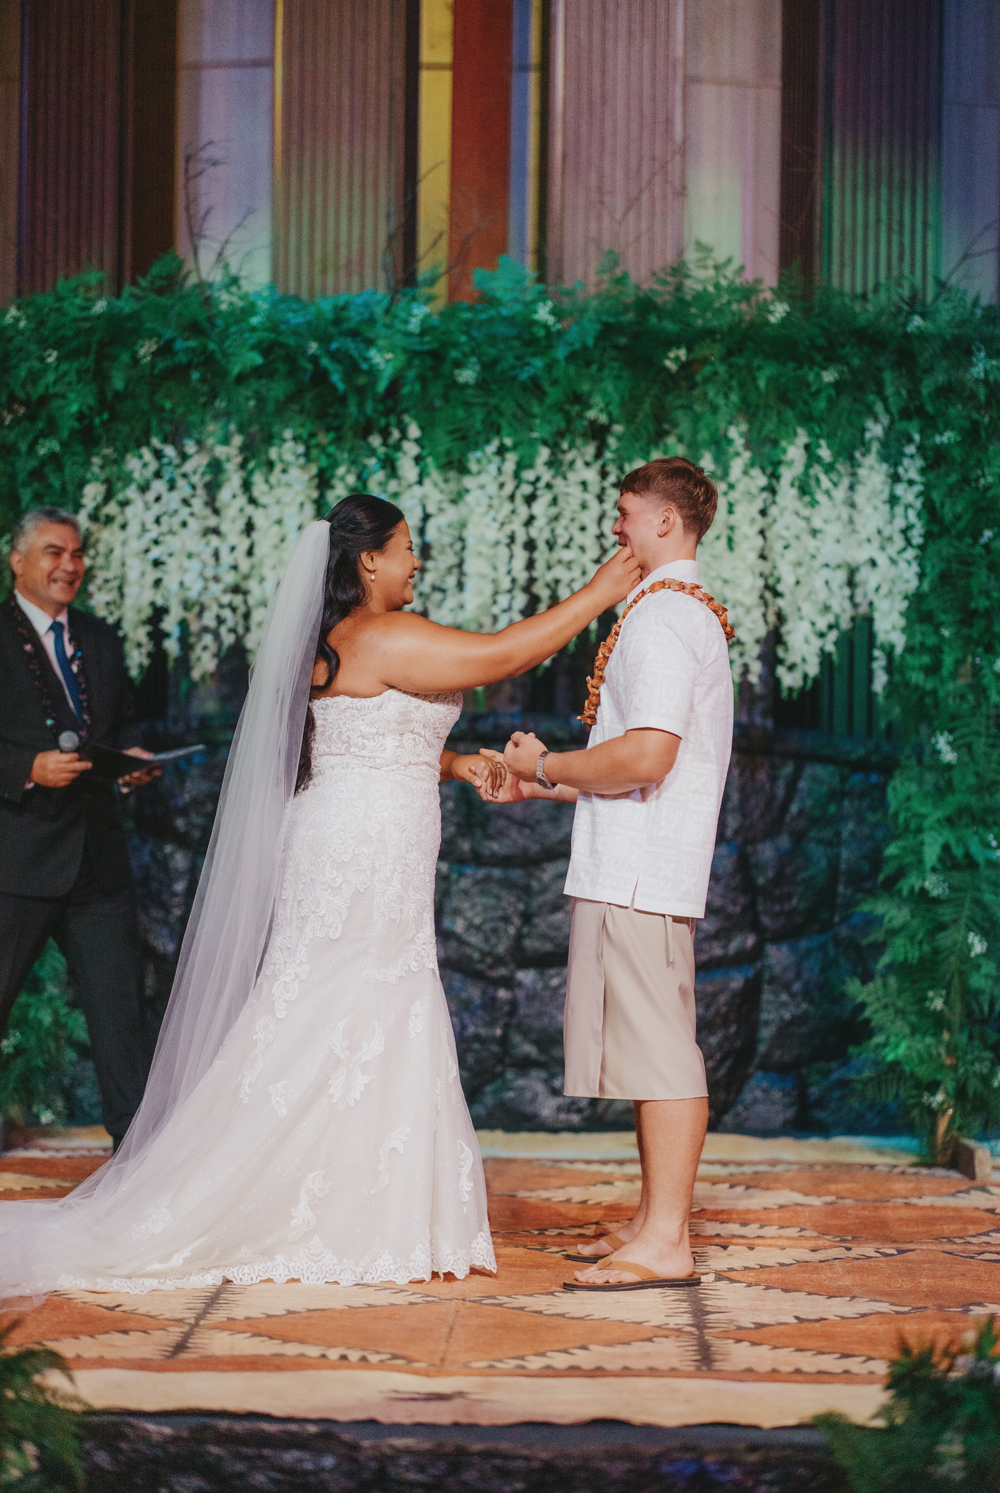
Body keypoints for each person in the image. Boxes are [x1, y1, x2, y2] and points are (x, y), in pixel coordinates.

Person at [0, 494, 639, 1303]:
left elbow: (365, 734)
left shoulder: (340, 642)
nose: (416, 561)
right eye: (407, 547)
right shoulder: (380, 634)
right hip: (361, 848)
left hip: (359, 832)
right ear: (369, 560)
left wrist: (451, 762)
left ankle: (356, 1208)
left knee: (343, 1007)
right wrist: (600, 590)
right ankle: (331, 1210)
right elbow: (507, 654)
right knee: (346, 1002)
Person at [481, 458, 734, 1290]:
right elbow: (641, 766)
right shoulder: (671, 613)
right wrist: (547, 784)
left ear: (666, 522)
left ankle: (667, 1239)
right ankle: (649, 1220)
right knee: (646, 1048)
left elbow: (648, 754)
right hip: (633, 862)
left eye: (625, 513)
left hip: (639, 874)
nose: (615, 528)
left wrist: (548, 762)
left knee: (662, 1053)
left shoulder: (664, 619)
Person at [0, 508, 157, 1152]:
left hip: (97, 859)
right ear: (17, 561)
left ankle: (139, 1152)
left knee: (121, 1013)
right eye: (52, 552)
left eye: (77, 553)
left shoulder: (101, 637)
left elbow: (123, 728)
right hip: (16, 859)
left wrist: (133, 764)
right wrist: (24, 767)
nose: (69, 565)